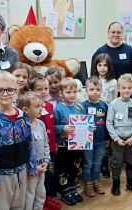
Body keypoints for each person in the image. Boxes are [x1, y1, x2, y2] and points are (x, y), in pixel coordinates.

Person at [0, 71, 37, 210]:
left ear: (16, 91)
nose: (5, 94)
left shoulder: (23, 117)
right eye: (0, 90)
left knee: (19, 206)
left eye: (9, 89)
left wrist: (31, 167)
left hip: (21, 171)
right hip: (1, 175)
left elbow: (29, 143)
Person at [29, 75, 61, 210]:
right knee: (37, 178)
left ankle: (47, 199)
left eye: (46, 89)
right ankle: (37, 204)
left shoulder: (49, 105)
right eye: (39, 89)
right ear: (31, 90)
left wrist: (56, 143)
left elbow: (52, 126)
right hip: (37, 151)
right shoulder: (32, 108)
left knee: (49, 174)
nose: (43, 92)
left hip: (51, 148)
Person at [106, 73, 132, 196]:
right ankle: (116, 183)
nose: (127, 90)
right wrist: (116, 138)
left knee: (131, 160)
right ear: (118, 88)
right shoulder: (113, 104)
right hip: (118, 140)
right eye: (124, 88)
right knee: (117, 161)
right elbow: (109, 123)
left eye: (129, 88)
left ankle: (130, 181)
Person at [91, 22, 132, 103]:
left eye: (118, 32)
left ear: (122, 34)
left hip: (127, 94)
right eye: (113, 32)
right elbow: (93, 75)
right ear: (108, 33)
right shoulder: (100, 52)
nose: (116, 35)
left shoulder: (130, 51)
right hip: (106, 96)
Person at [54, 77, 85, 206]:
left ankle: (73, 189)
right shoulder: (58, 109)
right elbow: (53, 127)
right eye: (68, 92)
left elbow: (84, 122)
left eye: (74, 91)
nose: (72, 95)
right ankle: (65, 191)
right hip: (64, 145)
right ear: (61, 93)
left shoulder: (80, 107)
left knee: (74, 167)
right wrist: (62, 128)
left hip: (78, 144)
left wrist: (90, 128)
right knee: (64, 169)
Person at [17, 91, 50, 210]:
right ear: (26, 109)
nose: (41, 109)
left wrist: (46, 160)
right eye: (37, 106)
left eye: (42, 105)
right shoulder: (21, 127)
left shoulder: (41, 124)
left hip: (42, 166)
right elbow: (21, 152)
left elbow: (45, 143)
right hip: (30, 170)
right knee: (29, 195)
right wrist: (33, 167)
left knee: (41, 194)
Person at [82, 76, 109, 197]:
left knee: (97, 163)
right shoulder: (82, 106)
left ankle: (96, 181)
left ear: (101, 90)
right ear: (86, 91)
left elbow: (108, 122)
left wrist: (108, 138)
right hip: (87, 141)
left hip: (100, 140)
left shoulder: (104, 105)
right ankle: (88, 184)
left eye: (97, 89)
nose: (94, 92)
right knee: (87, 163)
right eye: (91, 89)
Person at [92, 53, 117, 178]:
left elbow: (114, 100)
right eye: (99, 65)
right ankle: (94, 163)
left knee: (105, 139)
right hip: (94, 113)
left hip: (107, 113)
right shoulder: (92, 80)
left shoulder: (113, 82)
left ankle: (104, 163)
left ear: (109, 67)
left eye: (105, 65)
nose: (102, 68)